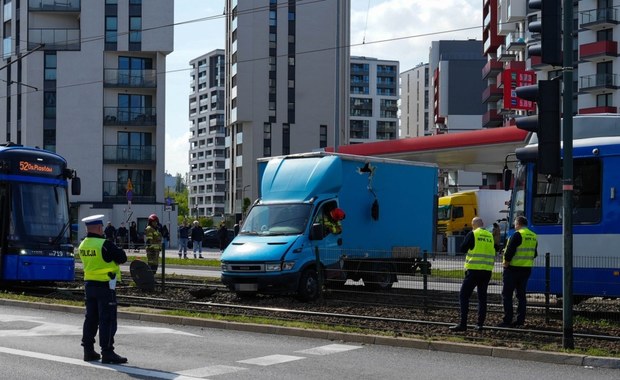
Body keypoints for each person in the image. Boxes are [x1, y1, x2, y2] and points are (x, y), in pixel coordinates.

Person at [79, 214, 128, 364]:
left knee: (91, 319)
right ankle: (107, 352)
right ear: (100, 228)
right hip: (105, 287)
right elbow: (122, 258)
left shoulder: (82, 245)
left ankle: (88, 351)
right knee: (107, 319)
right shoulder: (105, 244)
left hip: (89, 285)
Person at [449, 217, 495, 332]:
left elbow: (463, 248)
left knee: (464, 296)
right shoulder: (490, 236)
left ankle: (463, 324)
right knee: (482, 298)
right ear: (483, 224)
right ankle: (480, 325)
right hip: (487, 271)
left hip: (474, 270)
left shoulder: (473, 234)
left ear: (473, 224)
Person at [498, 215, 538, 328]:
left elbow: (509, 251)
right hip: (526, 270)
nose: (515, 225)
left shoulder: (517, 234)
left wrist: (506, 264)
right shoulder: (533, 236)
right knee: (521, 296)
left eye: (515, 223)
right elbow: (534, 254)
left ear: (519, 224)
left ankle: (507, 320)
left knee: (507, 295)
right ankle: (520, 321)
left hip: (512, 269)